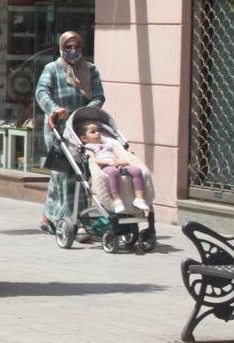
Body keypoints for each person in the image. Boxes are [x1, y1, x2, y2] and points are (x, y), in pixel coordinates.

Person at [34, 31, 105, 234]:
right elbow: (41, 92)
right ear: (61, 48)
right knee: (64, 171)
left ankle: (50, 215)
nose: (73, 51)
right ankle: (71, 218)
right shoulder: (53, 69)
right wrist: (54, 108)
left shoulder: (91, 70)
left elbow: (99, 96)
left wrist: (87, 111)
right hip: (58, 127)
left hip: (80, 128)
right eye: (68, 47)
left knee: (74, 171)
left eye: (77, 47)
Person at [79, 121, 150, 213]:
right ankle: (117, 200)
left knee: (136, 171)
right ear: (84, 138)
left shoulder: (108, 145)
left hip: (116, 164)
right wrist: (109, 162)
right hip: (104, 166)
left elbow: (115, 154)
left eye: (98, 131)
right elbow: (93, 160)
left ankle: (139, 198)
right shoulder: (89, 147)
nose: (97, 133)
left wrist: (120, 161)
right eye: (93, 132)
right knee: (113, 172)